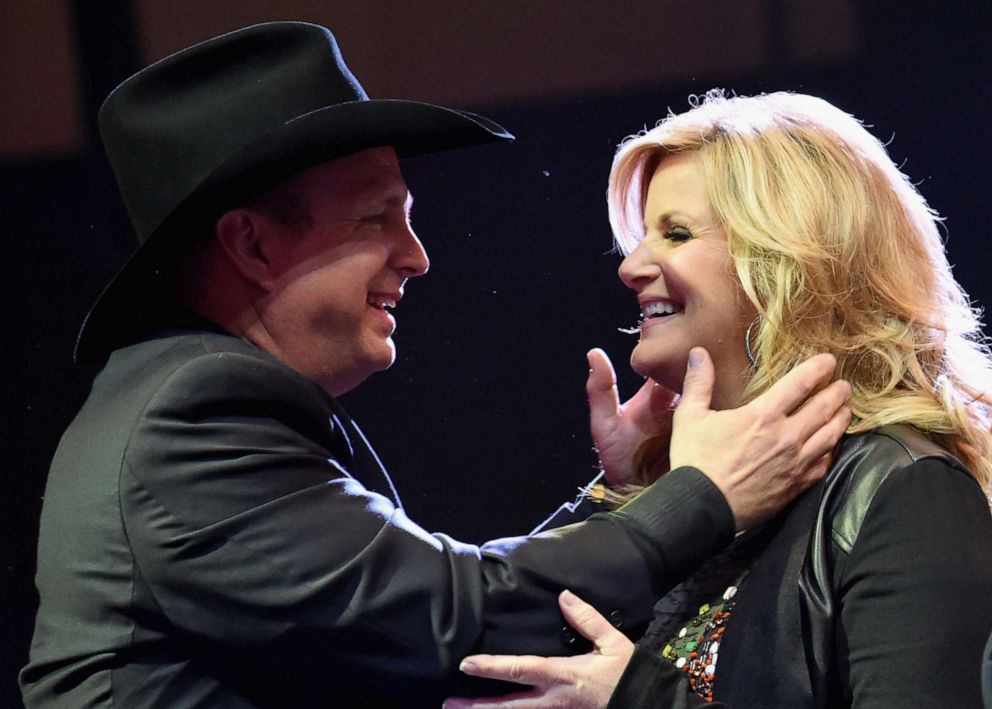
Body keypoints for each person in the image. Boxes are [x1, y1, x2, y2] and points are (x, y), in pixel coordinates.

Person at [19, 27, 852, 707]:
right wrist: (699, 498)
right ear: (253, 243)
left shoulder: (186, 398)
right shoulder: (192, 417)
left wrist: (621, 489)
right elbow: (457, 621)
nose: (415, 256)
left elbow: (430, 596)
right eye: (377, 219)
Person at [448, 90, 992, 708]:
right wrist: (625, 490)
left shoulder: (903, 489)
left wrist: (640, 701)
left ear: (787, 259)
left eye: (676, 233)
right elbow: (504, 651)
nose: (631, 266)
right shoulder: (696, 488)